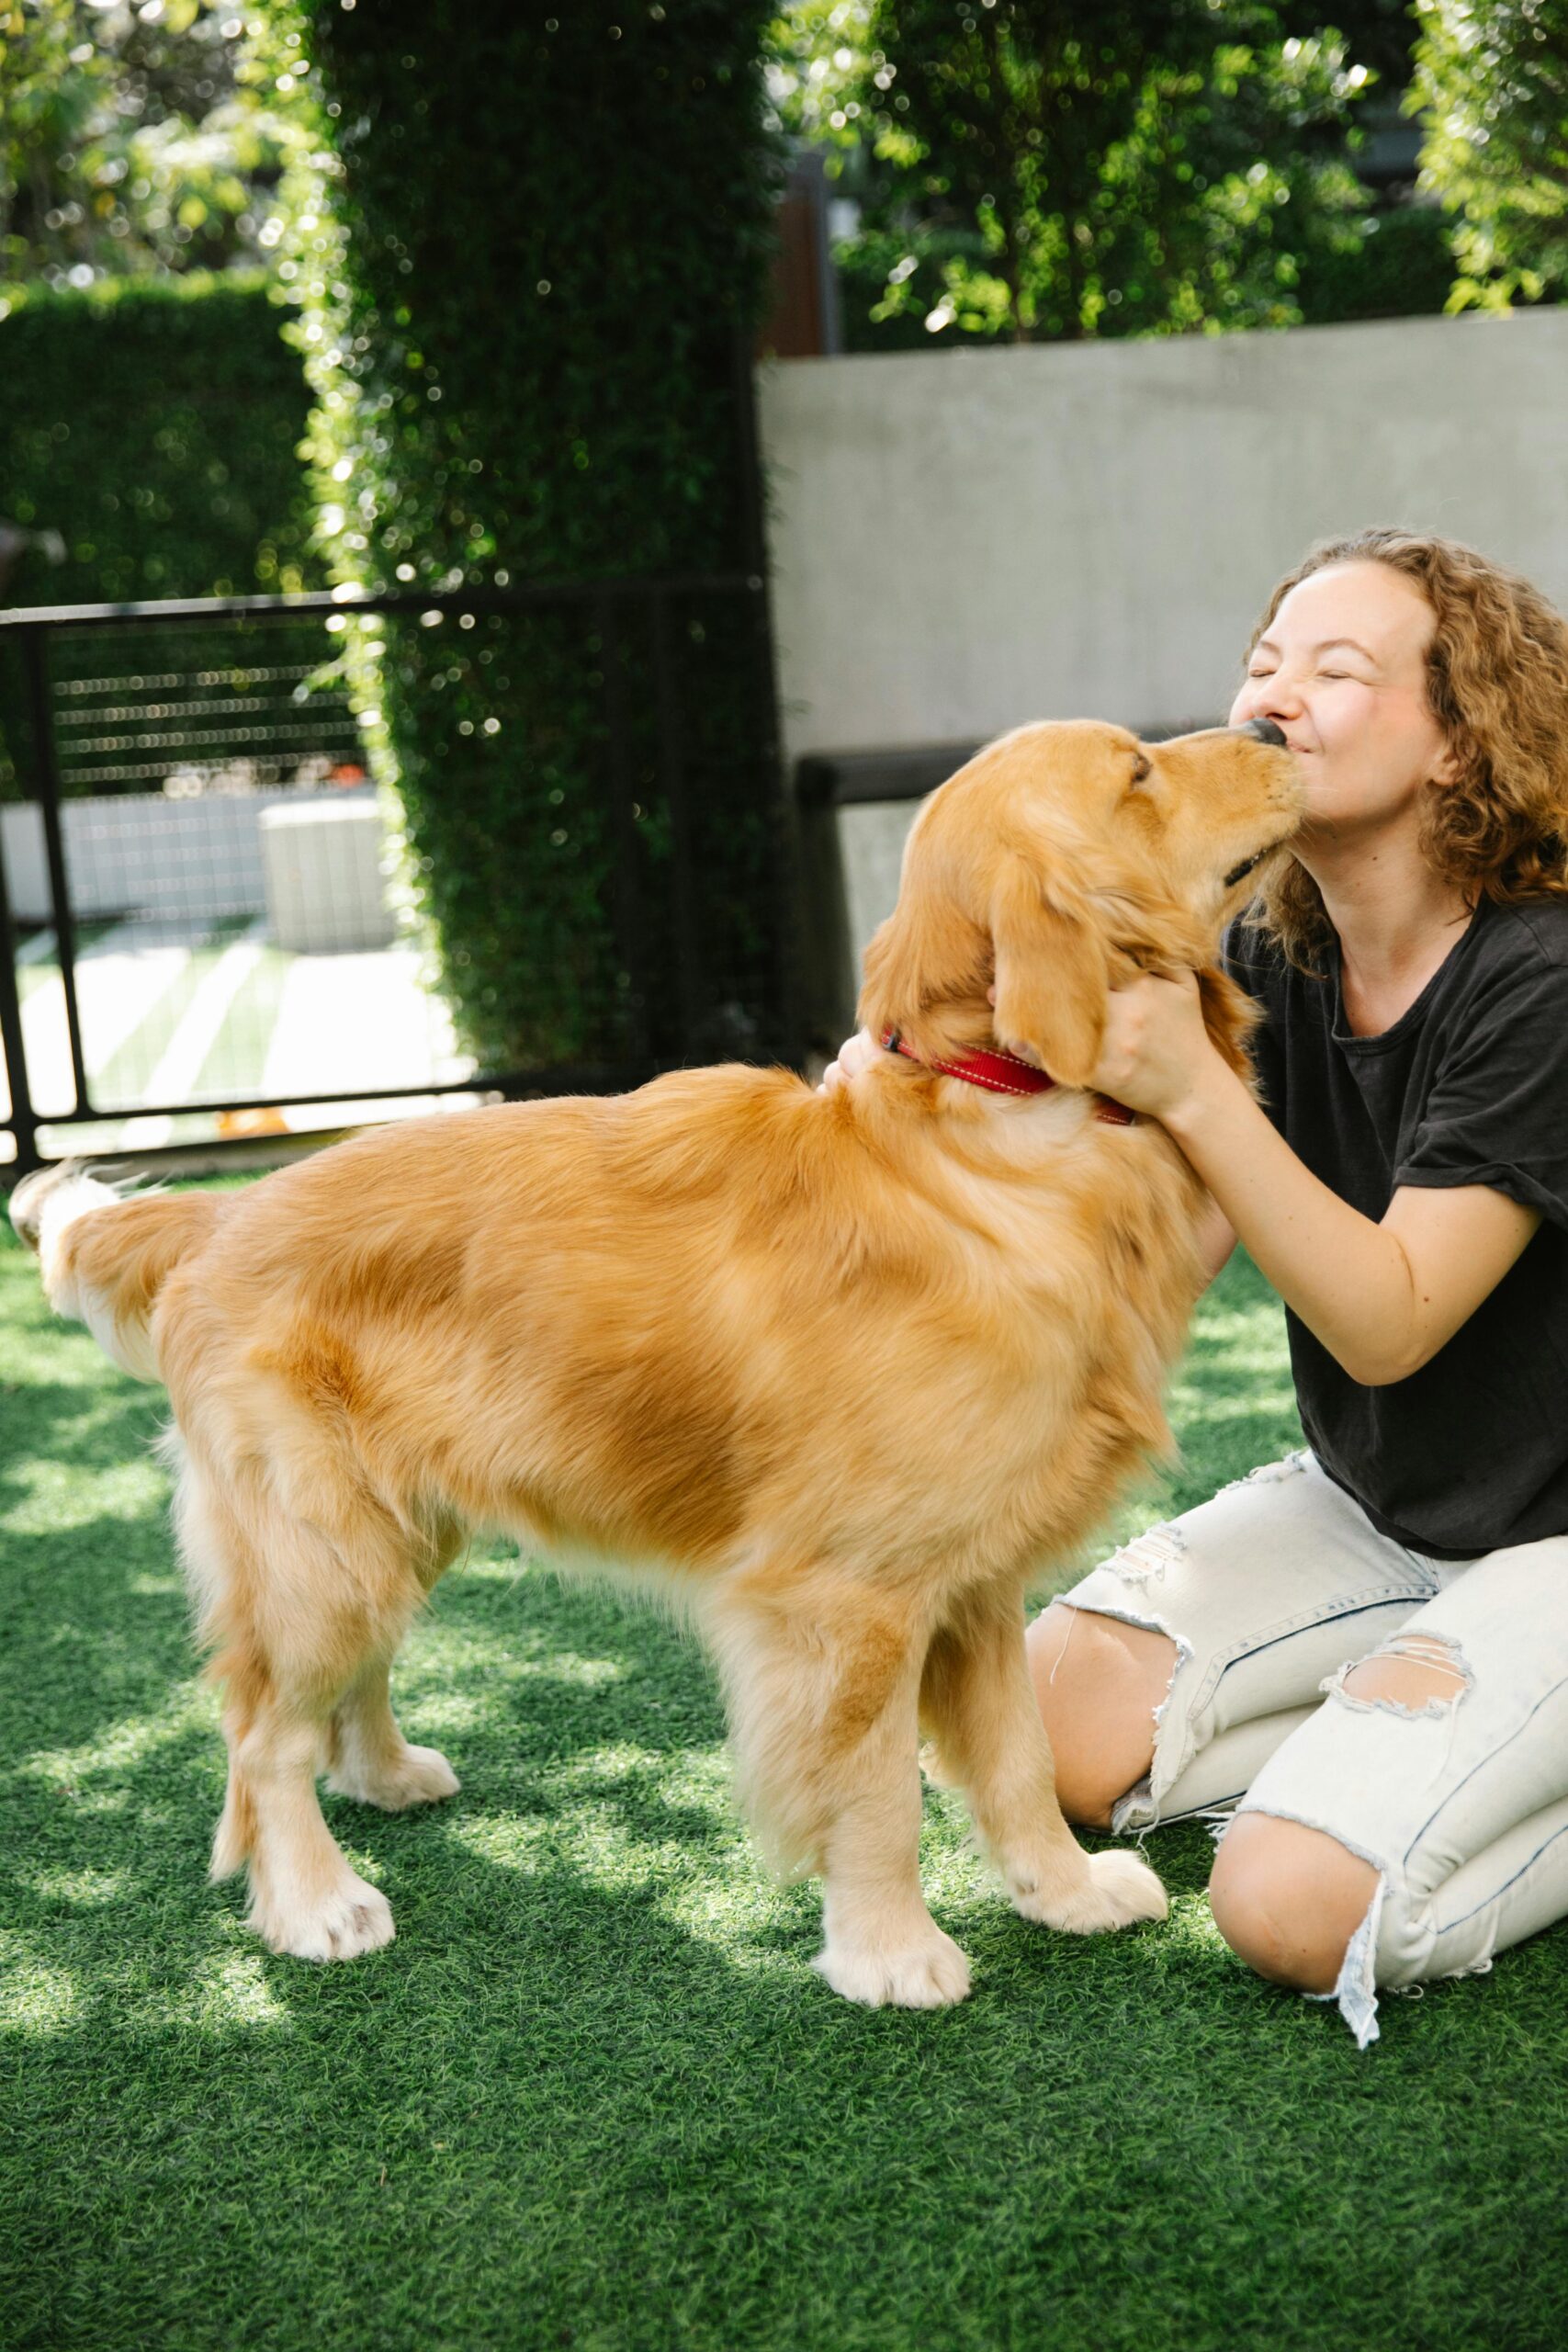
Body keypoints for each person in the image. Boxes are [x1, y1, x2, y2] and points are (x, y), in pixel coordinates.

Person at [823, 528, 1568, 2044]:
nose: (1270, 699)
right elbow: (1173, 1243)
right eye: (1264, 663)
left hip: (1559, 1536)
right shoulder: (1287, 951)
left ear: (1459, 740)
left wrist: (1190, 1085)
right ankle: (1430, 1716)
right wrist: (921, 1116)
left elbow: (1391, 1315)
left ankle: (1438, 1750)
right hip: (1382, 1502)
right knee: (1033, 1739)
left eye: (1337, 669)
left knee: (1285, 1907)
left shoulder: (1544, 977)